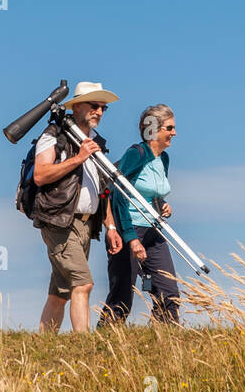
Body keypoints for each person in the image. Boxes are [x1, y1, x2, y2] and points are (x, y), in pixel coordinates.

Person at [33, 80, 123, 333]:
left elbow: (100, 190)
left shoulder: (98, 142)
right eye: (94, 106)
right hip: (60, 221)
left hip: (86, 225)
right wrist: (79, 158)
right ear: (76, 107)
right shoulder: (54, 135)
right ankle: (84, 344)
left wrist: (111, 226)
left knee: (60, 292)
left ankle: (44, 343)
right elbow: (40, 174)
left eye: (104, 108)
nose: (100, 112)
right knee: (83, 284)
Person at [100, 104, 180, 325]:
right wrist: (131, 238)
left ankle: (167, 341)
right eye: (169, 128)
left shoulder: (163, 159)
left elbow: (151, 192)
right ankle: (105, 340)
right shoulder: (137, 154)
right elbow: (118, 193)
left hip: (154, 229)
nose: (174, 133)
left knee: (168, 291)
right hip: (130, 229)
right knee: (122, 296)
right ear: (154, 129)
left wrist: (162, 204)